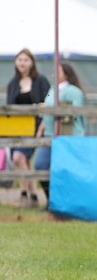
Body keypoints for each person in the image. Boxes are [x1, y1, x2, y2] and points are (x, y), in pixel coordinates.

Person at [33, 62, 86, 204]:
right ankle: (52, 200)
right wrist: (42, 127)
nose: (54, 75)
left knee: (66, 170)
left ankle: (69, 201)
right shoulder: (52, 89)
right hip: (50, 135)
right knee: (40, 165)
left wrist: (51, 108)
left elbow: (74, 113)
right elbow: (47, 112)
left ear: (67, 74)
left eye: (59, 72)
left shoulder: (74, 91)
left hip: (69, 136)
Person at [6, 49, 51, 207]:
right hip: (16, 129)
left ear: (31, 62)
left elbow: (49, 101)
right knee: (19, 160)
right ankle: (32, 196)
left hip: (35, 128)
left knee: (19, 157)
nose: (22, 63)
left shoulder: (41, 81)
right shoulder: (13, 84)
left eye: (25, 60)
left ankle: (25, 193)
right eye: (19, 60)